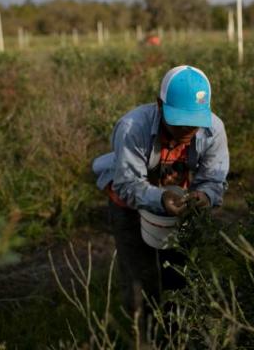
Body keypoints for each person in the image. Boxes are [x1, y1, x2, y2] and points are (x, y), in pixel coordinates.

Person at [91, 65, 229, 327]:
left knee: (180, 272)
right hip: (129, 204)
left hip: (179, 204)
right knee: (139, 278)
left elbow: (214, 180)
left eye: (195, 121)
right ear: (159, 105)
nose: (189, 128)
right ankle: (143, 334)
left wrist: (203, 197)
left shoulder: (213, 130)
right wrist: (160, 199)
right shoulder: (132, 127)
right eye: (180, 121)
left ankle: (178, 332)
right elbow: (127, 184)